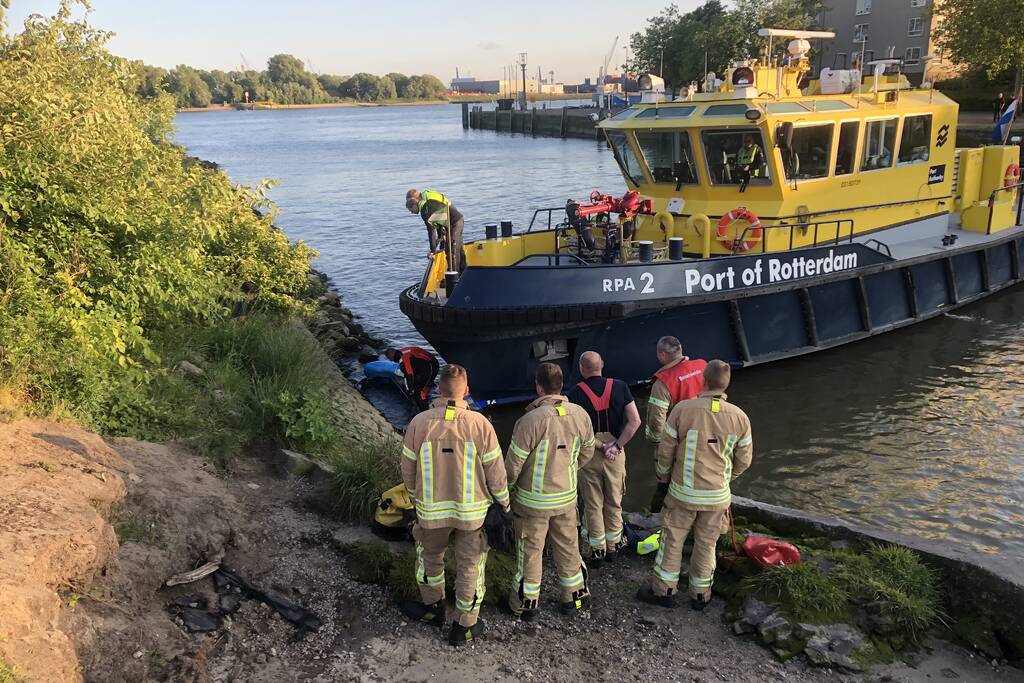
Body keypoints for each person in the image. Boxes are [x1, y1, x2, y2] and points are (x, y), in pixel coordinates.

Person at [398, 364, 510, 646]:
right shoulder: (480, 425)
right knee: (471, 567)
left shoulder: (419, 423)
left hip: (430, 511)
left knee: (429, 558)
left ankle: (433, 608)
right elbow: (496, 472)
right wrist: (504, 504)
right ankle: (464, 626)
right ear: (466, 391)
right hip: (472, 514)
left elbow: (407, 468)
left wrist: (415, 497)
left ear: (439, 389)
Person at [638, 360, 753, 611]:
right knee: (707, 544)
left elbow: (666, 452)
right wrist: (725, 478)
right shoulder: (740, 417)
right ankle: (700, 595)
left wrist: (663, 479)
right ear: (726, 384)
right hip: (717, 497)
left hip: (682, 494)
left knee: (672, 540)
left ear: (704, 380)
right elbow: (744, 461)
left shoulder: (683, 410)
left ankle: (664, 591)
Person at [505, 363, 596, 619]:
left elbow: (512, 466)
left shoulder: (530, 421)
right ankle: (575, 598)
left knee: (530, 553)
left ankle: (526, 605)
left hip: (532, 503)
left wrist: (504, 493)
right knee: (569, 548)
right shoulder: (581, 415)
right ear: (561, 385)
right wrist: (568, 470)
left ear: (539, 387)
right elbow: (587, 451)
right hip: (566, 499)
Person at [566, 351, 641, 567]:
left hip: (589, 454)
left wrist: (600, 445)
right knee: (614, 501)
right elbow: (634, 421)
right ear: (602, 365)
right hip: (616, 453)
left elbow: (576, 431)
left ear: (582, 369)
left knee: (593, 503)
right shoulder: (620, 386)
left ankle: (596, 551)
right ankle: (613, 547)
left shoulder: (574, 394)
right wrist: (616, 445)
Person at [645, 336, 707, 444]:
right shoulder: (703, 365)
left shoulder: (662, 383)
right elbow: (717, 397)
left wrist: (658, 442)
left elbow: (657, 419)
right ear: (680, 349)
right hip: (709, 431)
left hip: (685, 440)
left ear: (663, 355)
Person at [406, 189, 466, 273]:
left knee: (452, 249)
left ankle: (454, 276)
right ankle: (463, 271)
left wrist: (433, 251)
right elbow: (438, 219)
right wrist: (441, 236)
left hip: (454, 222)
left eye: (410, 210)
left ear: (414, 205)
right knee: (457, 247)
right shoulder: (427, 203)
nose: (411, 212)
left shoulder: (424, 210)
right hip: (451, 220)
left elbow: (431, 231)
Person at [385, 346, 439, 412]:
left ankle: (424, 411)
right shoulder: (402, 351)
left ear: (391, 356)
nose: (391, 361)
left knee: (418, 392)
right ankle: (427, 397)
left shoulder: (404, 357)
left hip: (430, 366)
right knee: (423, 385)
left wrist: (410, 390)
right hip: (428, 363)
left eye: (389, 359)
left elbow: (409, 374)